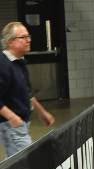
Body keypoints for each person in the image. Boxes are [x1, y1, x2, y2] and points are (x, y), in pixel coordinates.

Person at [0, 21, 55, 158]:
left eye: (28, 36)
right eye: (23, 37)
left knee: (16, 164)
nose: (28, 40)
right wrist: (12, 117)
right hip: (11, 126)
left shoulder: (19, 61)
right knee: (23, 164)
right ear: (10, 41)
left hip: (22, 124)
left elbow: (27, 92)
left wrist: (41, 112)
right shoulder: (3, 65)